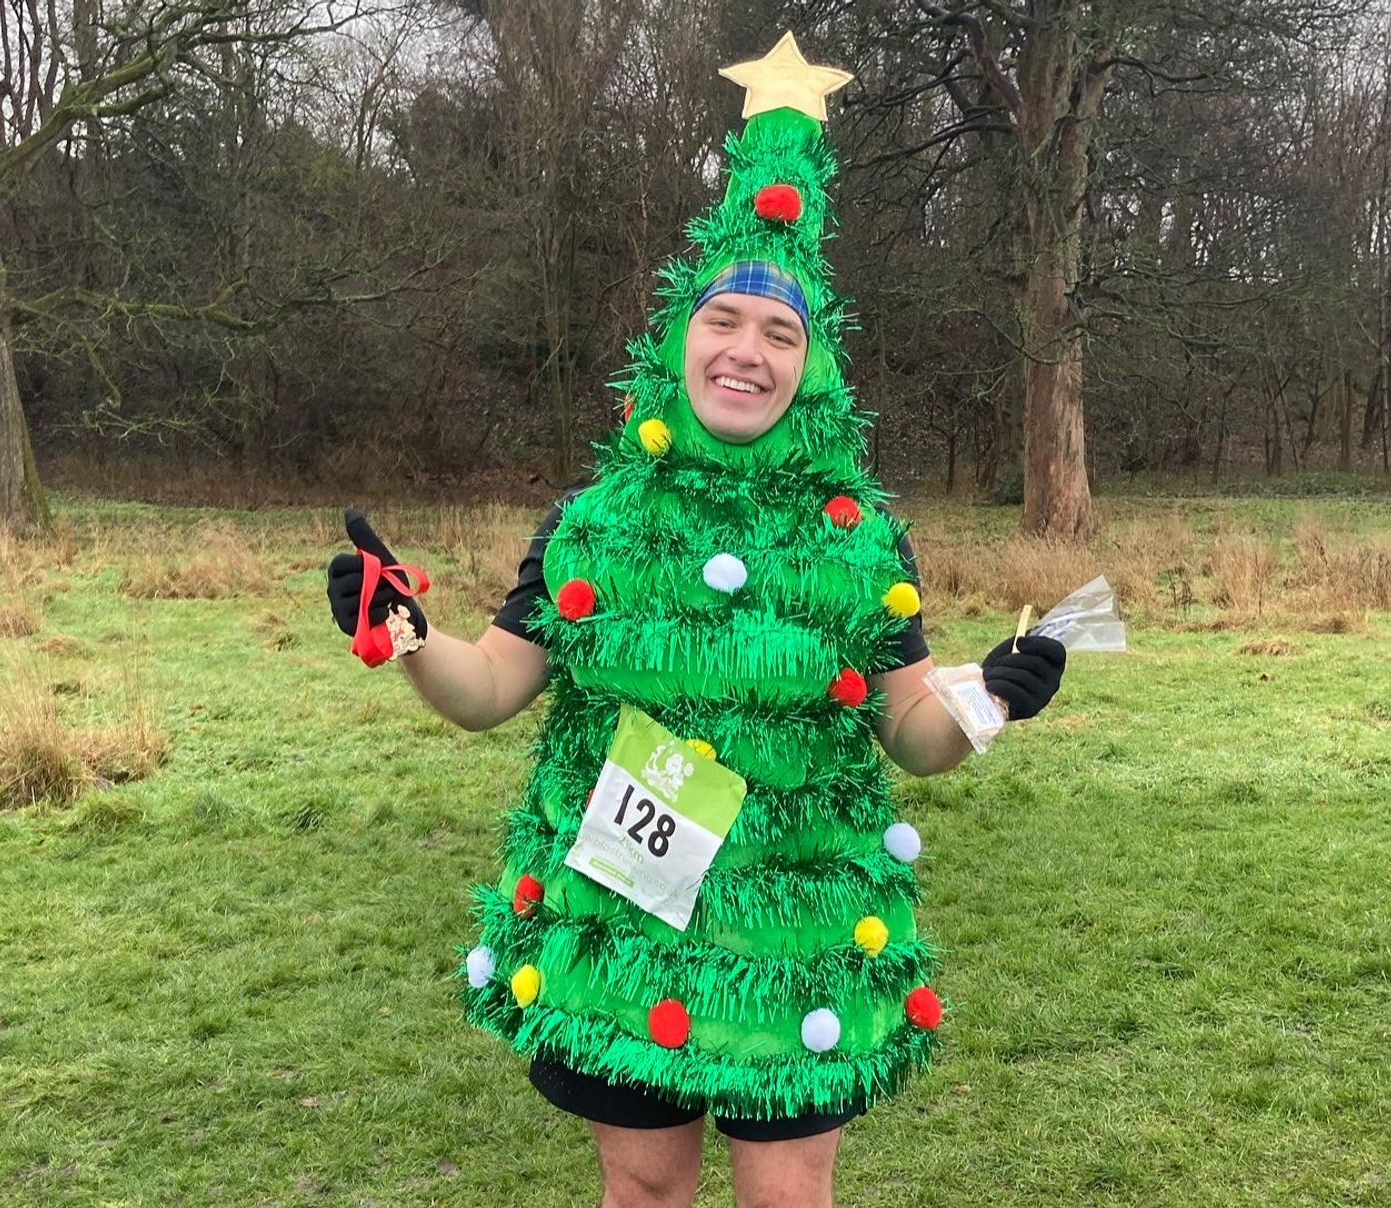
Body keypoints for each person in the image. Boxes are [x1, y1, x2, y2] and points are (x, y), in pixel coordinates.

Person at [327, 33, 1066, 1208]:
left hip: (799, 926)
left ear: (812, 368)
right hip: (622, 917)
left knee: (785, 1200)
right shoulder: (595, 525)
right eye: (724, 320)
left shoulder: (858, 536)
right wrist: (410, 630)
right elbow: (487, 690)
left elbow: (912, 735)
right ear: (680, 342)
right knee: (645, 1192)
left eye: (780, 333)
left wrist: (993, 694)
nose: (746, 351)